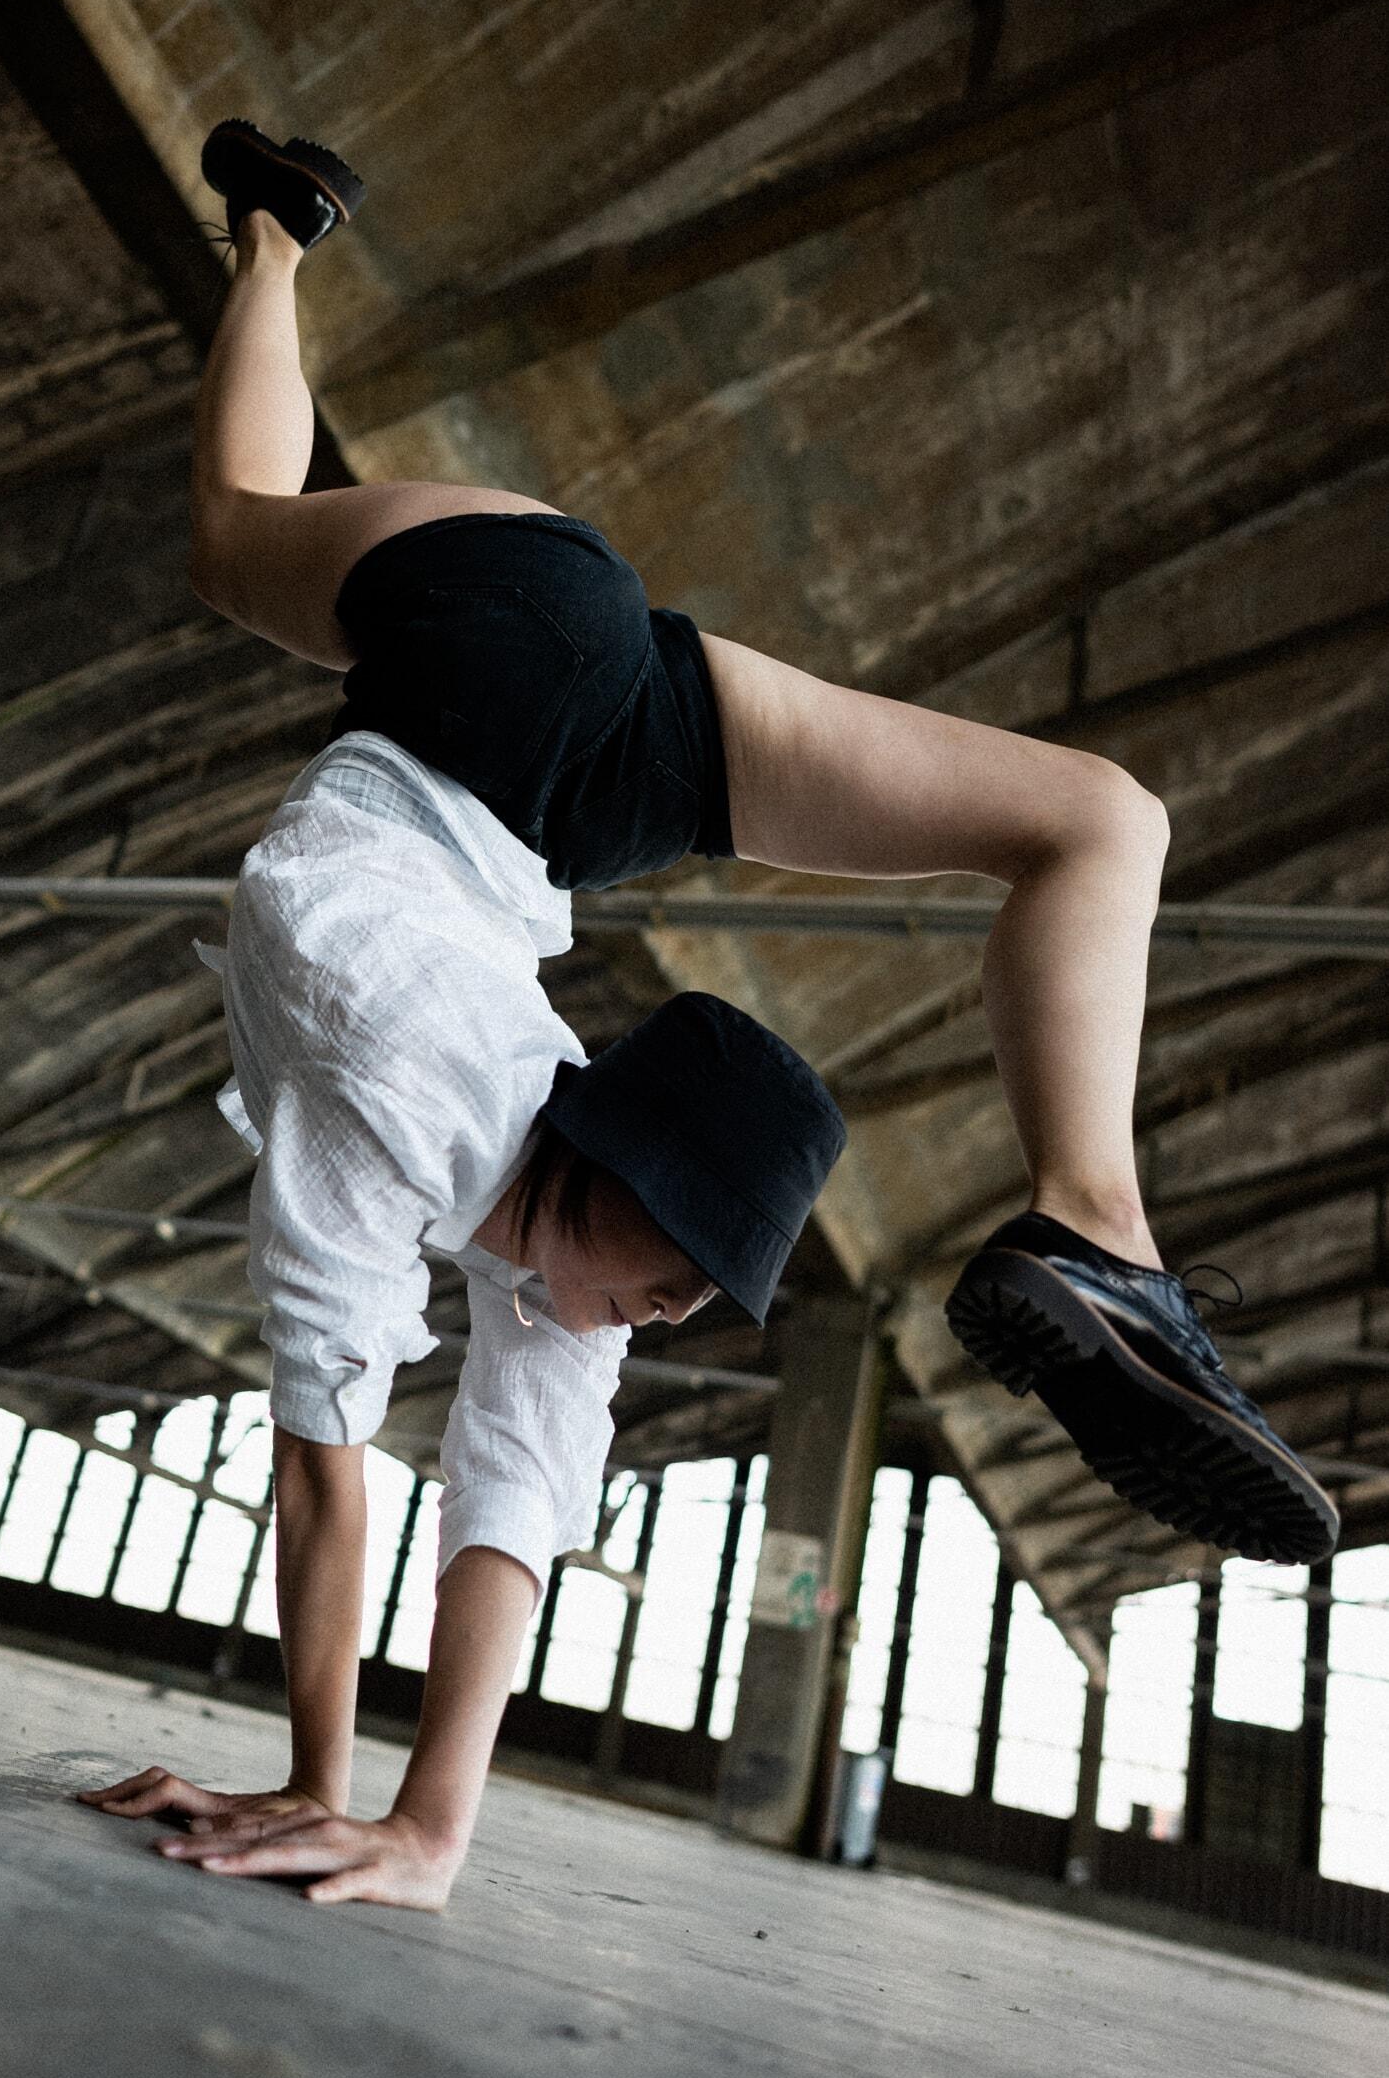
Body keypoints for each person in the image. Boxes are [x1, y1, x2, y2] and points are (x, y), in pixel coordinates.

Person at [80, 123, 1337, 1911]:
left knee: (1100, 823)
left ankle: (1099, 1226)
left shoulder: (569, 1238)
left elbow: (518, 1493)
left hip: (600, 767)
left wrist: (422, 1829)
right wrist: (313, 1781)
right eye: (682, 1270)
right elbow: (323, 1463)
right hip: (497, 664)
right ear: (608, 1177)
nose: (675, 1313)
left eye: (688, 1291)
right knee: (230, 543)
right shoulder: (404, 1093)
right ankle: (271, 239)